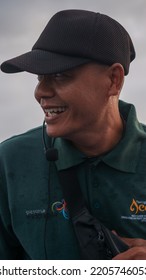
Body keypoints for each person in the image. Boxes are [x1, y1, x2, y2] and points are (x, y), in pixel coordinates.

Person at [0, 9, 146, 260]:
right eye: (39, 77)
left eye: (59, 75)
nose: (40, 92)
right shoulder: (8, 161)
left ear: (113, 79)